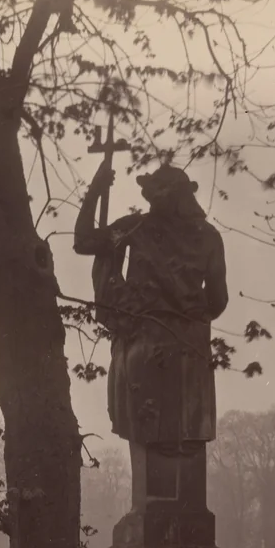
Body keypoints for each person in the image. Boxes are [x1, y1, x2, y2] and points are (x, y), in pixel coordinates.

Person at [74, 162, 229, 451]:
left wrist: (95, 190)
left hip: (142, 349)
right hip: (190, 357)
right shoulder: (209, 236)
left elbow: (83, 241)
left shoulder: (136, 227)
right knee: (187, 442)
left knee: (148, 442)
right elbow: (218, 300)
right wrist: (188, 314)